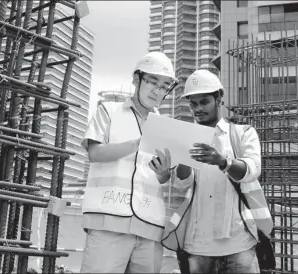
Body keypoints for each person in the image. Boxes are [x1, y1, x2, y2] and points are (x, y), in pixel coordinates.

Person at [160, 70, 273, 273]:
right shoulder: (186, 137)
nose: (198, 109)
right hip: (197, 247)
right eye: (193, 104)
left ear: (219, 98)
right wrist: (183, 160)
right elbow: (181, 185)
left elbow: (252, 170)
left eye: (204, 102)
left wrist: (222, 161)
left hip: (240, 245)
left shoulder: (243, 133)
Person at [80, 52, 178, 273]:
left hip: (150, 227)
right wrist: (137, 143)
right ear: (137, 79)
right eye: (152, 82)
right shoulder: (109, 110)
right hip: (108, 221)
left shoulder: (165, 126)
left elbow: (161, 179)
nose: (157, 90)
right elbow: (94, 153)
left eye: (164, 86)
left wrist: (164, 173)